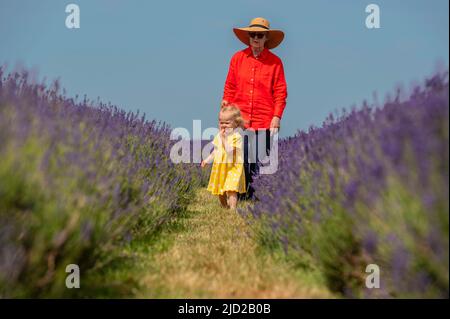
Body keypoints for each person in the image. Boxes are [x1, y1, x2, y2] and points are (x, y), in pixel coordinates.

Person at [221, 17, 287, 200]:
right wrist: (225, 106)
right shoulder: (237, 59)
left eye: (259, 35)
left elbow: (280, 93)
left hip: (264, 119)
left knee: (258, 160)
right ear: (248, 37)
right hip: (239, 118)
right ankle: (240, 196)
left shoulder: (275, 63)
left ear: (266, 38)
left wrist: (277, 117)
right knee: (240, 159)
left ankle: (255, 197)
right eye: (252, 35)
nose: (255, 39)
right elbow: (230, 86)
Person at [201, 105, 246, 209]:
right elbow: (216, 151)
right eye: (221, 122)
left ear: (236, 123)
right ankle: (225, 206)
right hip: (220, 167)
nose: (223, 125)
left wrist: (223, 138)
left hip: (233, 168)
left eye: (227, 122)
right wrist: (207, 160)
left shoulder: (237, 137)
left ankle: (232, 209)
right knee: (220, 191)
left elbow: (230, 151)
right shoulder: (218, 136)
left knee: (231, 189)